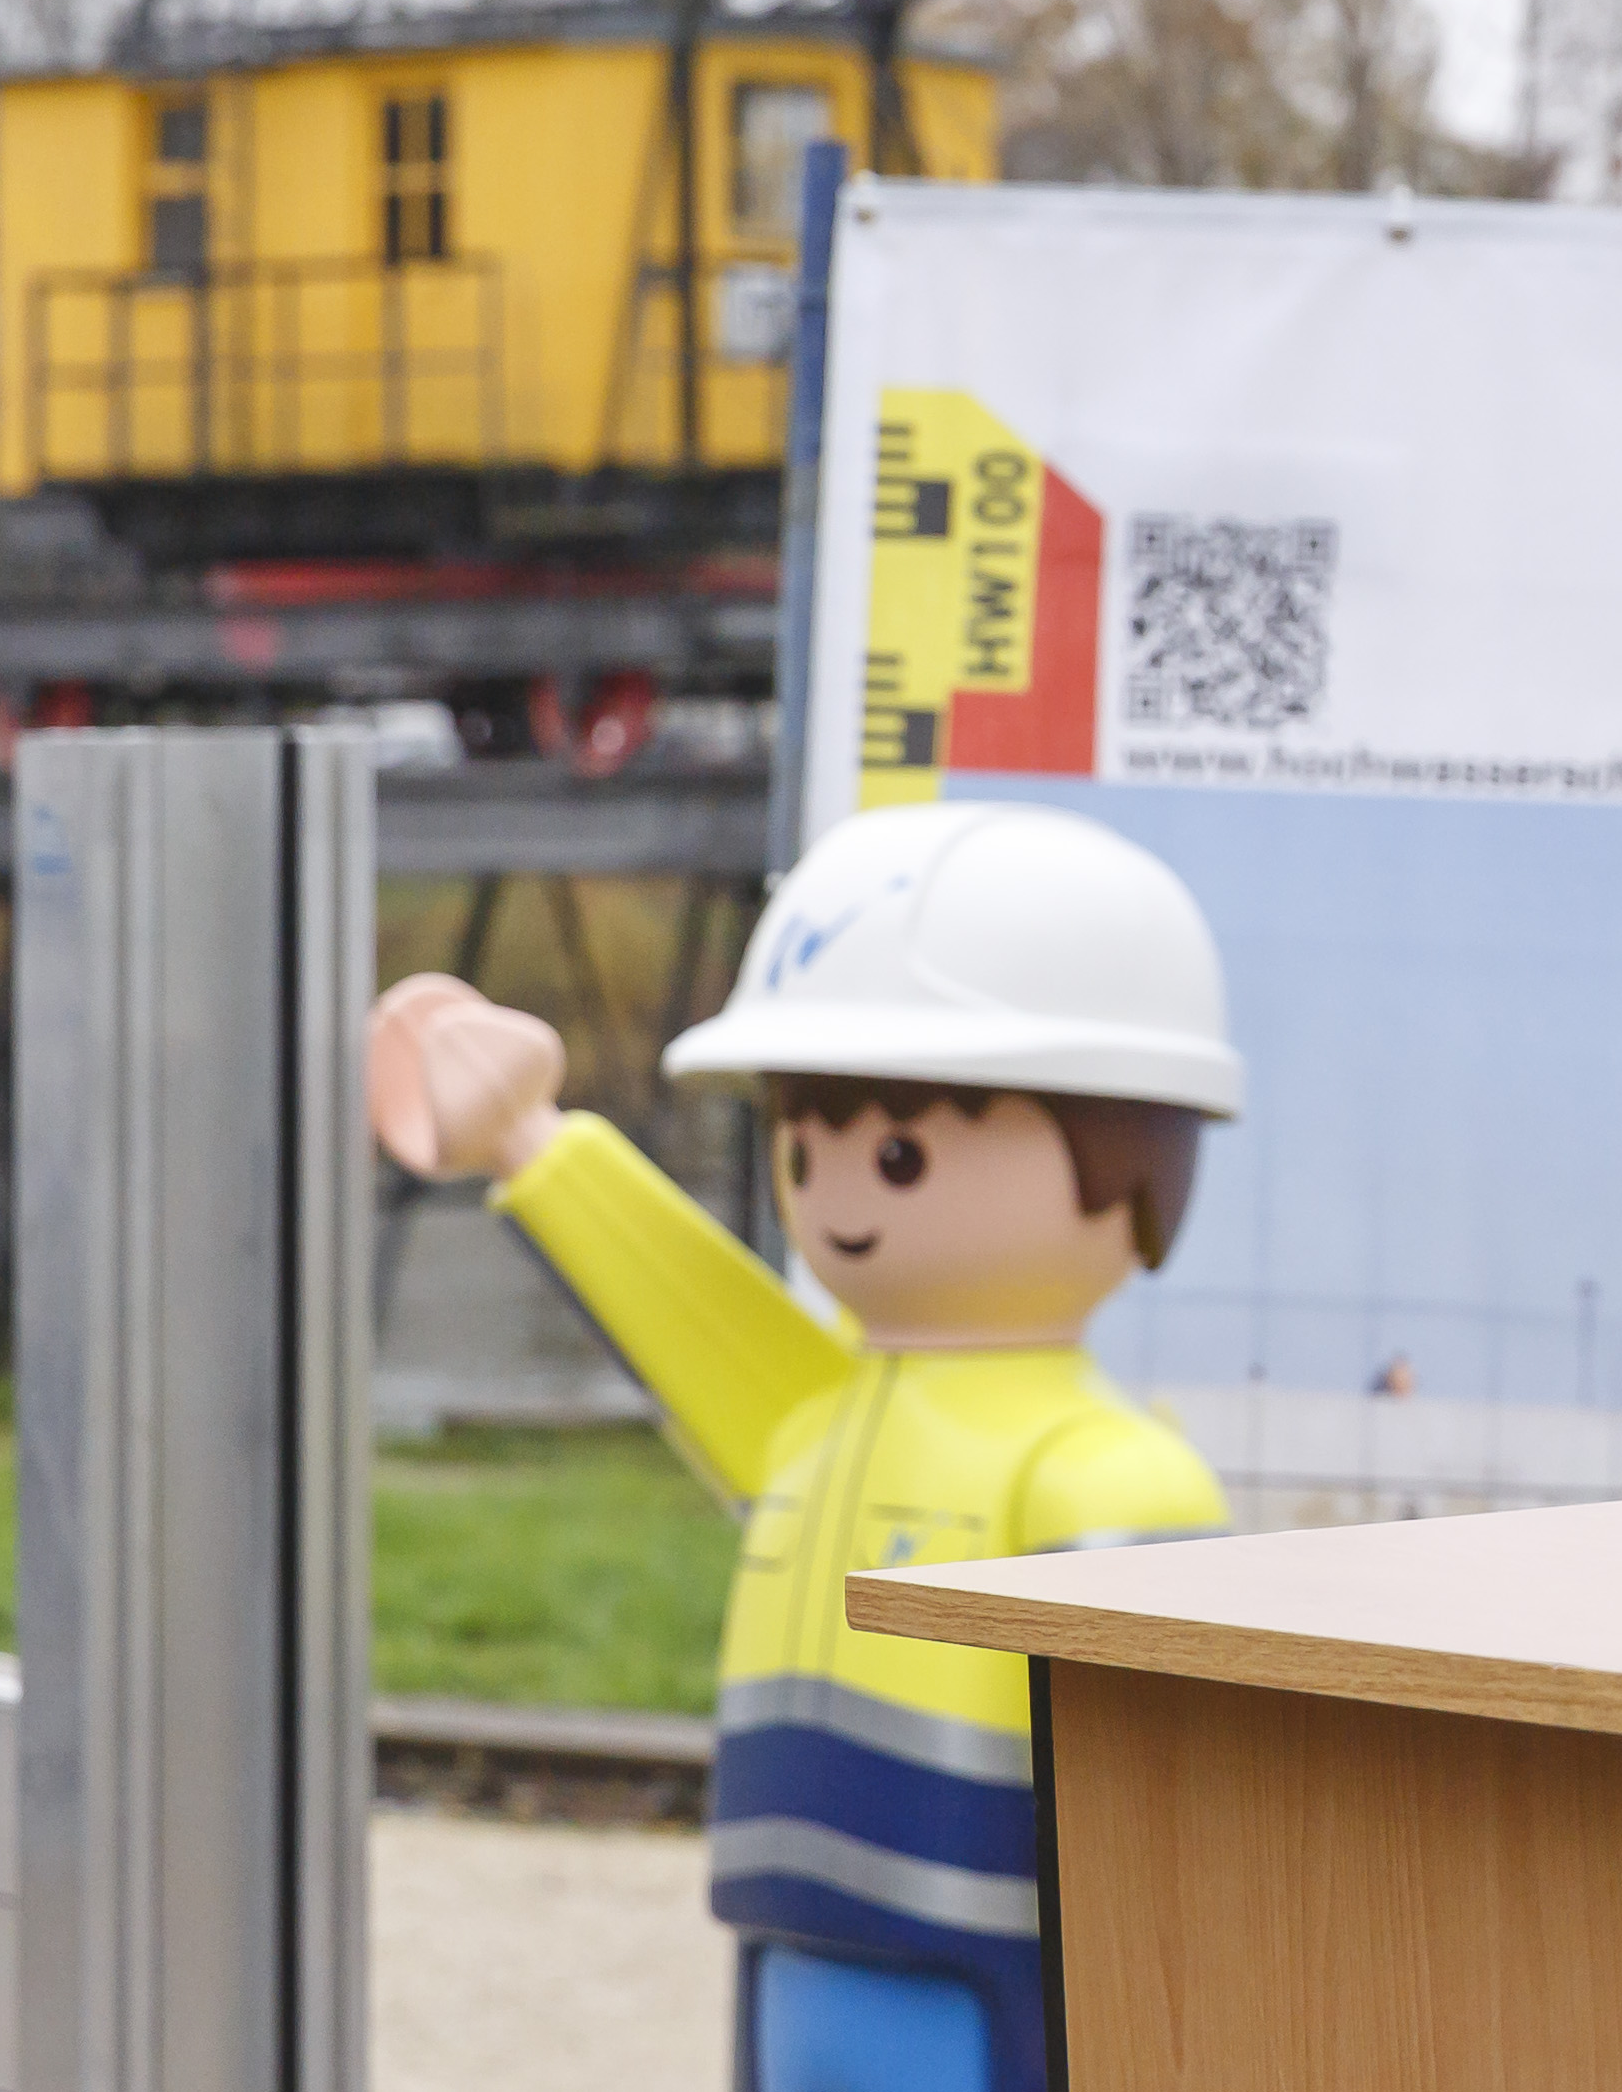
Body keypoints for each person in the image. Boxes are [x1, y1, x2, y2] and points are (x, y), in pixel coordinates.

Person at [369, 799, 1249, 2092]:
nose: (836, 1197)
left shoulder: (1097, 1473)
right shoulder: (820, 1422)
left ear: (1131, 1152)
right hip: (794, 1939)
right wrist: (527, 1141)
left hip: (1001, 1971)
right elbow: (688, 1315)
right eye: (804, 1140)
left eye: (898, 1153)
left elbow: (1188, 1808)